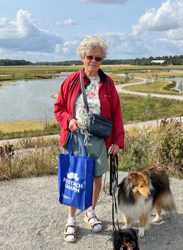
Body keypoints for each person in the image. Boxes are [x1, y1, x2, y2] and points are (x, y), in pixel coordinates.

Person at [54, 35, 125, 243]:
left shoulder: (107, 82)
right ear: (82, 57)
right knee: (75, 178)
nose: (93, 61)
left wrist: (117, 141)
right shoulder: (72, 81)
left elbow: (116, 113)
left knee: (96, 178)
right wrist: (68, 120)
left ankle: (91, 211)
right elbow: (58, 108)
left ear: (102, 60)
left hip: (100, 140)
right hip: (76, 138)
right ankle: (71, 219)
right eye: (89, 57)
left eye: (98, 58)